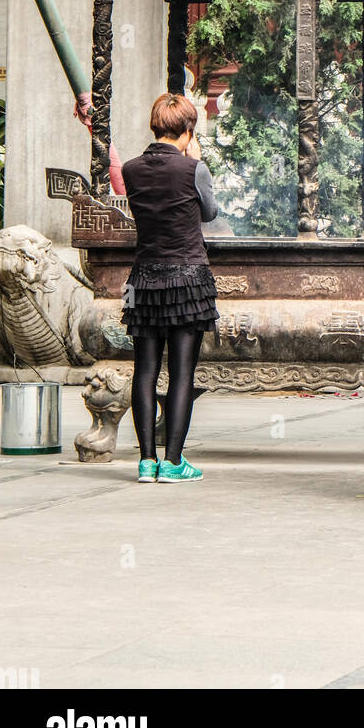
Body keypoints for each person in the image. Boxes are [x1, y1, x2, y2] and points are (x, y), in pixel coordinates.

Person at [121, 93, 220, 483]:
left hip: (142, 281)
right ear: (188, 130)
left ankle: (146, 462)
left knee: (143, 371)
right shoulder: (193, 169)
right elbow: (209, 213)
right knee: (181, 372)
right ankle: (173, 462)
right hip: (189, 280)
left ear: (154, 126)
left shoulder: (131, 169)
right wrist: (194, 160)